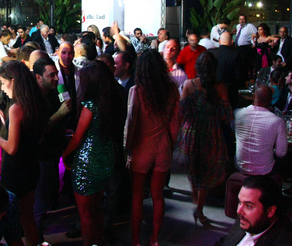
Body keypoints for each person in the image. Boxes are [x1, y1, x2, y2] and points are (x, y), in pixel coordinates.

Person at [0, 60, 47, 245]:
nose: (2, 89)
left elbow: (11, 148)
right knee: (27, 218)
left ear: (14, 81)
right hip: (31, 166)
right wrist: (7, 123)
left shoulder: (17, 108)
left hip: (16, 172)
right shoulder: (36, 102)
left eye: (3, 83)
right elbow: (31, 136)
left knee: (11, 223)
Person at [62, 60, 125, 246]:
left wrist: (64, 154)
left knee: (86, 215)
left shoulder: (90, 106)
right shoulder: (112, 102)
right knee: (97, 209)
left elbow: (77, 139)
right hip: (106, 160)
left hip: (88, 163)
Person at [125, 49, 179, 246]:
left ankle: (136, 241)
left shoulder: (137, 91)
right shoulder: (171, 89)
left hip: (141, 146)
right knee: (158, 196)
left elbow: (131, 122)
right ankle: (155, 239)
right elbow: (175, 124)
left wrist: (127, 148)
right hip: (162, 145)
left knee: (137, 196)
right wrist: (171, 145)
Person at [175, 52, 233, 225]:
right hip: (211, 133)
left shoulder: (188, 84)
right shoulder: (220, 87)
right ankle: (199, 208)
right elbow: (226, 115)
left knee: (193, 168)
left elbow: (181, 111)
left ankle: (195, 199)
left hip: (191, 131)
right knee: (207, 172)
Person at [32, 57, 72, 238]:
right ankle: (36, 238)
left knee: (45, 195)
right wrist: (60, 114)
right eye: (51, 75)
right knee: (39, 202)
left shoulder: (54, 93)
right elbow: (38, 130)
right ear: (38, 77)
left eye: (56, 74)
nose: (56, 78)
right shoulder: (33, 99)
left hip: (52, 152)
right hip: (39, 156)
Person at [219, 175, 292, 246]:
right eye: (239, 202)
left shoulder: (289, 242)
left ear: (270, 211)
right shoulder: (247, 219)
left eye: (248, 206)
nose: (239, 211)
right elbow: (226, 242)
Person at [234, 86, 287, 176]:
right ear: (271, 100)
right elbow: (281, 153)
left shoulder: (238, 114)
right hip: (265, 169)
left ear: (254, 96)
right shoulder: (278, 121)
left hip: (240, 166)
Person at [207, 32, 241, 109]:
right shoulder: (235, 55)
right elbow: (238, 76)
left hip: (212, 90)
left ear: (219, 41)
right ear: (232, 41)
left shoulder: (211, 52)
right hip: (230, 92)